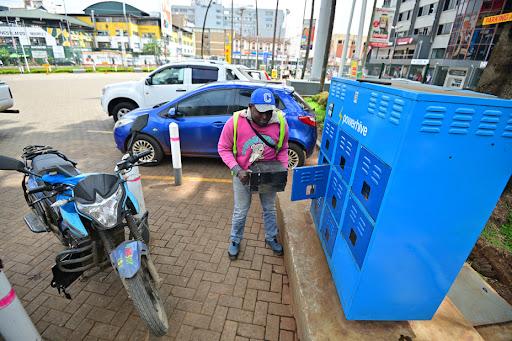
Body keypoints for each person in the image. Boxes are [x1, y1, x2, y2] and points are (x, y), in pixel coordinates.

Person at [218, 88, 289, 260]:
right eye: (261, 112)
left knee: (269, 209)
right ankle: (235, 240)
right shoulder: (234, 122)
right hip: (244, 175)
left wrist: (283, 169)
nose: (265, 117)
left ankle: (271, 237)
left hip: (268, 174)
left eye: (269, 112)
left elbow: (283, 148)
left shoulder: (280, 122)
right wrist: (237, 170)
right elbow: (223, 148)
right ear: (250, 106)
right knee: (241, 211)